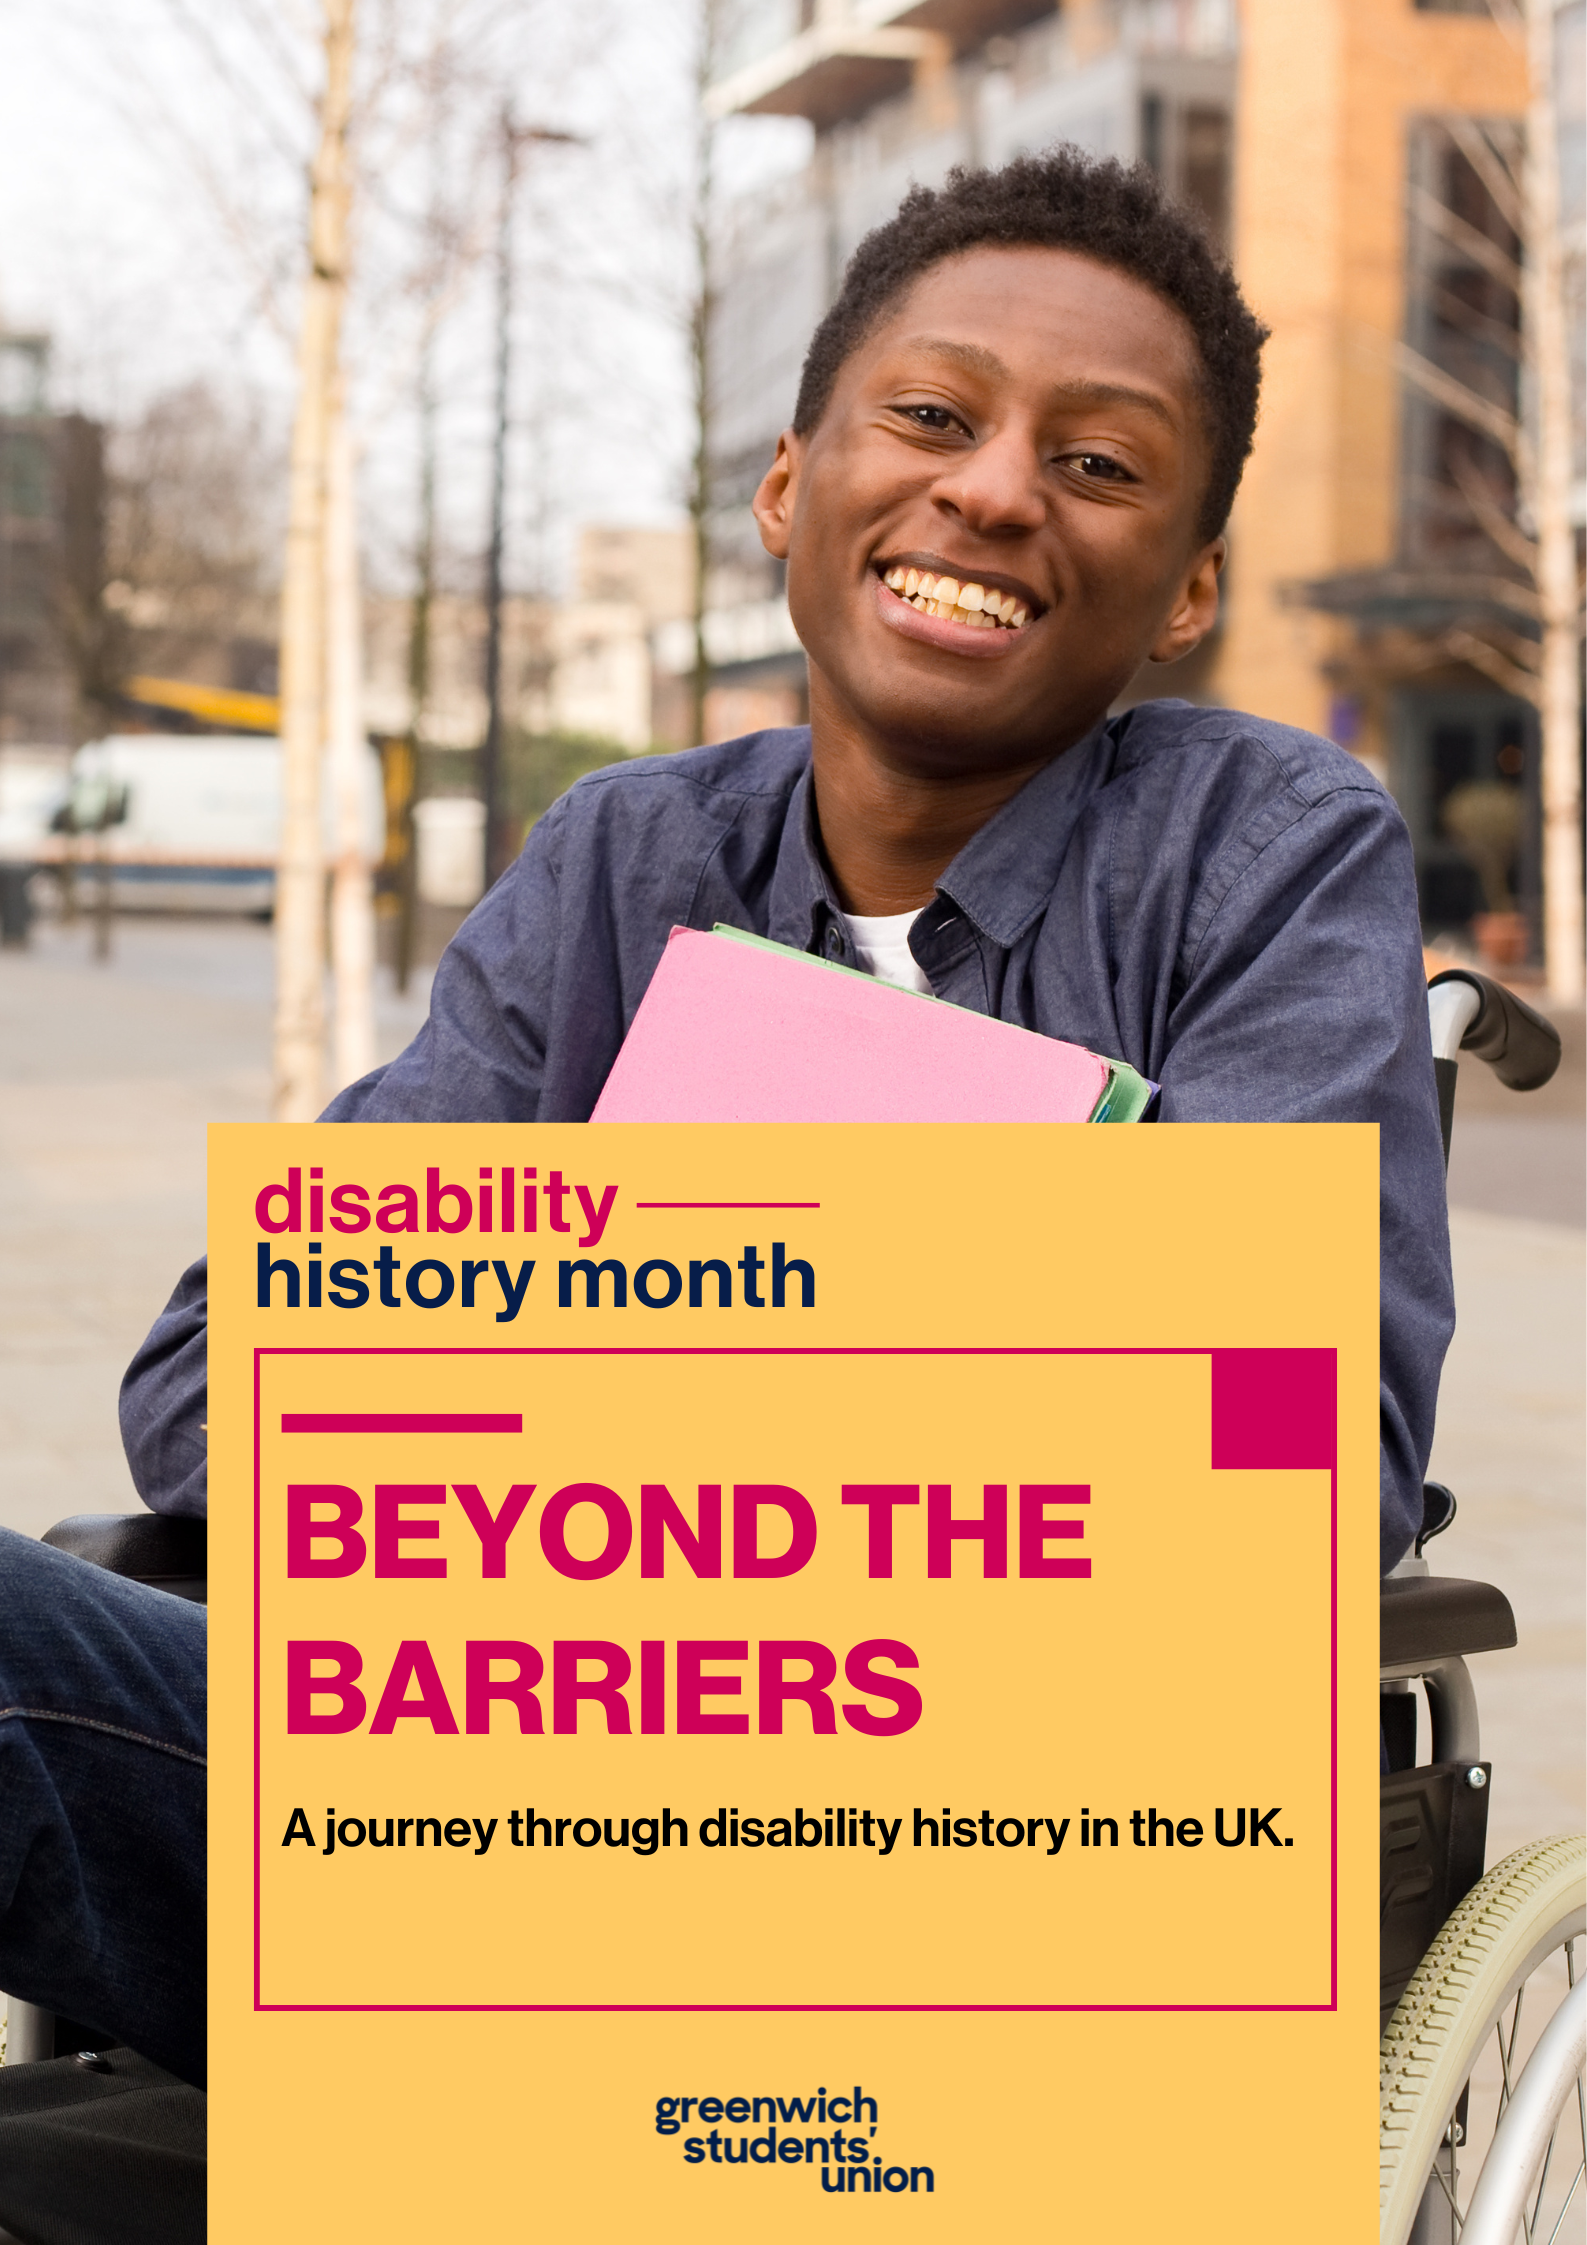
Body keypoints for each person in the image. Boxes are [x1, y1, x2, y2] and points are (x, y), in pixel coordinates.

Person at [12, 148, 1456, 2074]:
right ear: (792, 486)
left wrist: (550, 1360)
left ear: (1188, 588)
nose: (997, 487)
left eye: (1098, 464)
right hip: (468, 1789)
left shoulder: (1260, 855)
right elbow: (227, 1376)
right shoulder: (623, 857)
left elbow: (1282, 1445)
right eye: (931, 416)